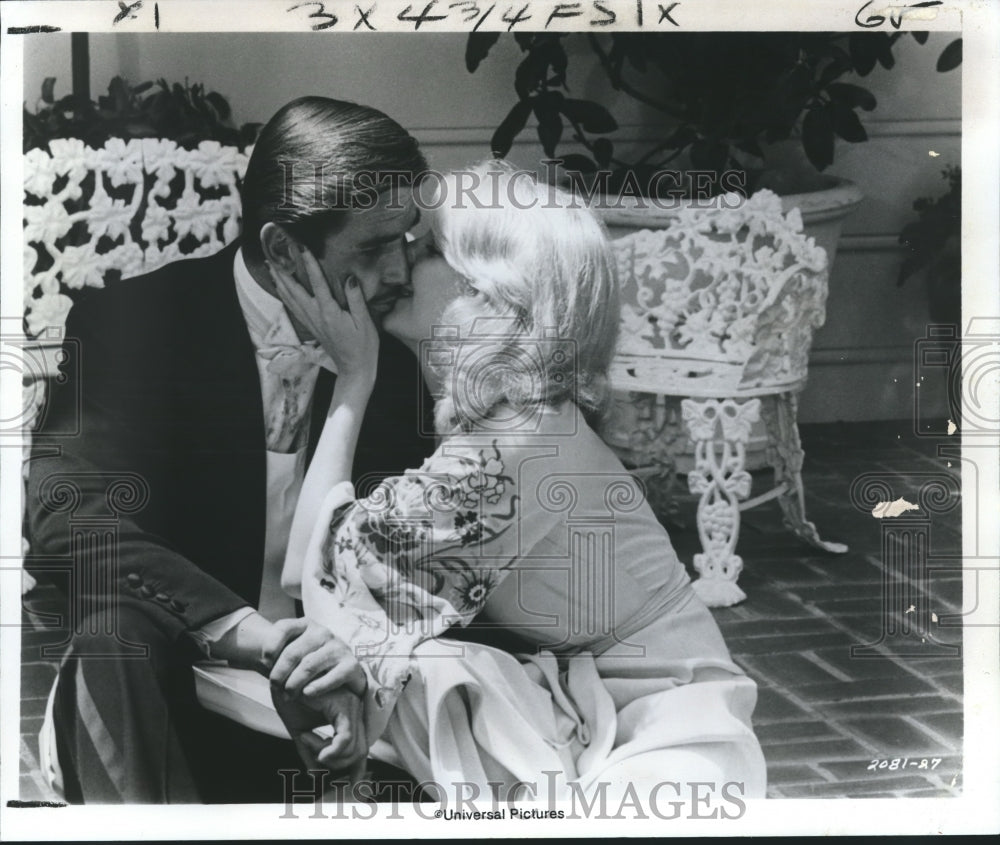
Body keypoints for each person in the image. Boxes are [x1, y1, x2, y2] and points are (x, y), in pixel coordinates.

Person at [273, 162, 768, 802]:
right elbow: (324, 569)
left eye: (421, 249)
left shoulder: (520, 440)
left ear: (489, 290)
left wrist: (353, 378)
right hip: (596, 715)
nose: (393, 271)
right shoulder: (516, 420)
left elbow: (311, 571)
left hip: (671, 736)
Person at [25, 96, 435, 803]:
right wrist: (249, 632)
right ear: (282, 249)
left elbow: (415, 558)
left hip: (341, 692)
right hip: (177, 682)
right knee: (112, 633)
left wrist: (348, 653)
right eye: (372, 249)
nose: (400, 273)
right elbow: (69, 514)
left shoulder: (399, 357)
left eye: (406, 239)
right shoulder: (135, 322)